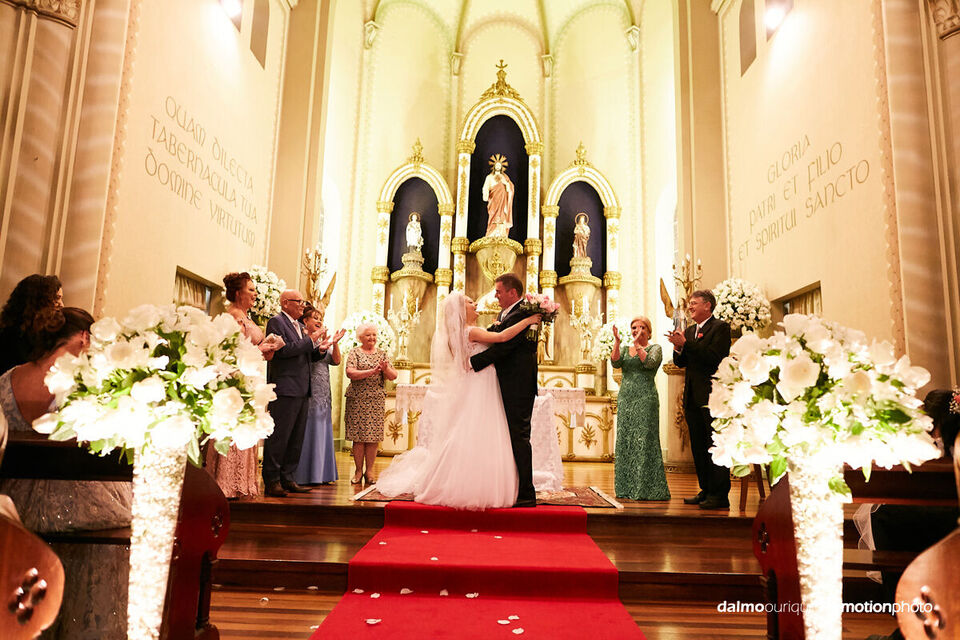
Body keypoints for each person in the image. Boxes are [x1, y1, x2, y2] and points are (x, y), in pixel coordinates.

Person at [0, 307, 132, 639]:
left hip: (16, 506)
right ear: (85, 338)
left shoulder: (6, 379)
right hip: (84, 505)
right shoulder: (89, 382)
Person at [376, 292, 541, 509]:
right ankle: (477, 483)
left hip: (476, 382)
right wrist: (528, 321)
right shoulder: (471, 331)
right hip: (481, 383)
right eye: (471, 302)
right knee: (479, 431)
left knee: (469, 431)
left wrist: (495, 326)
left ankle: (459, 478)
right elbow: (502, 338)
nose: (476, 304)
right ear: (461, 311)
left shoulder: (461, 333)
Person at [205, 272, 284, 498]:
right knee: (234, 426)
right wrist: (260, 349)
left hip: (251, 377)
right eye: (251, 290)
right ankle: (226, 482)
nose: (255, 294)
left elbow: (251, 351)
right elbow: (231, 354)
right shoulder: (232, 318)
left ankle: (241, 481)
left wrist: (266, 351)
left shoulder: (246, 318)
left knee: (247, 426)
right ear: (238, 293)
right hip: (236, 380)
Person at [469, 273, 539, 507]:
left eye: (499, 292)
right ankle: (513, 486)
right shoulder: (505, 314)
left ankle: (527, 493)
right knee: (509, 437)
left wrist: (474, 362)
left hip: (518, 385)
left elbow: (505, 347)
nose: (496, 296)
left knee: (519, 436)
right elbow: (494, 335)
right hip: (505, 382)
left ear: (513, 292)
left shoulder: (525, 313)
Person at [666, 289, 731, 509]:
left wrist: (686, 344)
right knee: (699, 446)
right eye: (690, 303)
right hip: (692, 396)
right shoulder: (690, 330)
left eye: (694, 303)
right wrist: (678, 348)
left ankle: (720, 495)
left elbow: (714, 358)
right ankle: (706, 489)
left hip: (712, 397)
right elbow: (682, 363)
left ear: (707, 305)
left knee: (714, 444)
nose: (690, 306)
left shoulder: (720, 328)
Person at [263, 290, 325, 497]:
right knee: (279, 436)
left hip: (302, 387)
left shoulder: (299, 325)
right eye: (298, 301)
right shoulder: (276, 322)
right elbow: (282, 351)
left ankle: (288, 477)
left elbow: (305, 355)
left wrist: (320, 349)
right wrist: (311, 339)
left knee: (295, 438)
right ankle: (272, 480)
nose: (302, 305)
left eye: (302, 301)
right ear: (285, 303)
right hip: (285, 387)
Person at [611, 316, 670, 501]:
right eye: (635, 327)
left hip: (645, 398)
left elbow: (650, 363)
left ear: (649, 332)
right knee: (626, 439)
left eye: (643, 327)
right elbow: (615, 362)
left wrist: (637, 346)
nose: (638, 330)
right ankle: (625, 487)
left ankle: (646, 489)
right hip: (626, 399)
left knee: (644, 440)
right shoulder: (624, 349)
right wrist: (617, 342)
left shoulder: (655, 348)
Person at [294, 304, 345, 486]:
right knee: (308, 430)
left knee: (322, 429)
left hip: (323, 391)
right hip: (307, 389)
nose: (319, 321)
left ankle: (322, 473)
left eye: (320, 318)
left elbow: (336, 361)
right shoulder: (303, 339)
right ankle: (305, 475)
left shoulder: (324, 341)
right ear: (305, 321)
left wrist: (335, 343)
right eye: (315, 318)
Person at [344, 323, 398, 484]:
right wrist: (372, 371)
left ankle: (370, 471)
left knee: (373, 438)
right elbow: (350, 372)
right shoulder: (354, 352)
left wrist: (385, 369)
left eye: (374, 335)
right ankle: (358, 471)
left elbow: (393, 376)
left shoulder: (382, 354)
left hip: (376, 400)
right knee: (358, 438)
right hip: (357, 399)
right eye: (368, 335)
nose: (372, 338)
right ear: (360, 337)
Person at [0, 274, 63, 375]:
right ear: (39, 301)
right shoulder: (13, 335)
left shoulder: (37, 333)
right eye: (56, 298)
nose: (62, 305)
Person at [482, 153, 515, 237]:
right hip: (493, 200)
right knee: (492, 215)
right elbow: (486, 187)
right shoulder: (489, 177)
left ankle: (501, 233)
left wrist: (506, 184)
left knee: (502, 215)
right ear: (494, 166)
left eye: (499, 166)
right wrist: (485, 194)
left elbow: (510, 188)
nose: (497, 167)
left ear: (501, 167)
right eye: (496, 165)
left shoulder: (504, 177)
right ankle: (491, 233)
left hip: (502, 200)